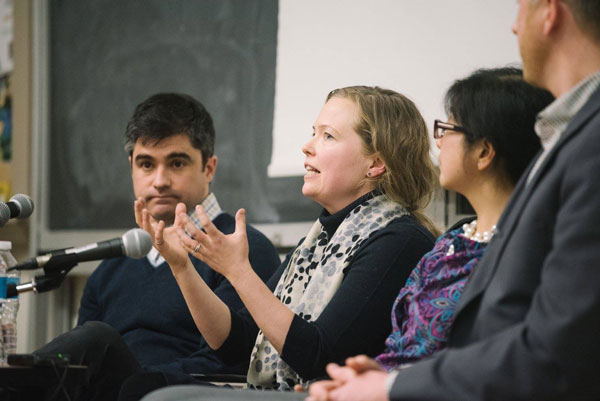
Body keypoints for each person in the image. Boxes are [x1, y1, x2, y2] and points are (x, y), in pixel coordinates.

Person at [303, 0, 600, 400]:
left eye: (448, 128)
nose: (512, 27)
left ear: (550, 11)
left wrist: (394, 384)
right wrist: (387, 373)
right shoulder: (452, 240)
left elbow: (552, 351)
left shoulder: (587, 147)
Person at [137, 86, 438, 395]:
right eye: (313, 133)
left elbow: (321, 357)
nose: (307, 147)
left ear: (375, 163)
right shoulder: (320, 240)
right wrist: (182, 268)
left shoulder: (400, 241)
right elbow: (237, 349)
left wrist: (239, 272)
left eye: (328, 136)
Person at [35, 93, 281, 401]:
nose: (160, 180)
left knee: (97, 340)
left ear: (209, 167)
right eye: (146, 164)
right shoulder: (111, 268)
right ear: (131, 168)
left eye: (176, 163)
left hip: (179, 394)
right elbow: (75, 365)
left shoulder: (242, 247)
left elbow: (232, 358)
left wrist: (137, 380)